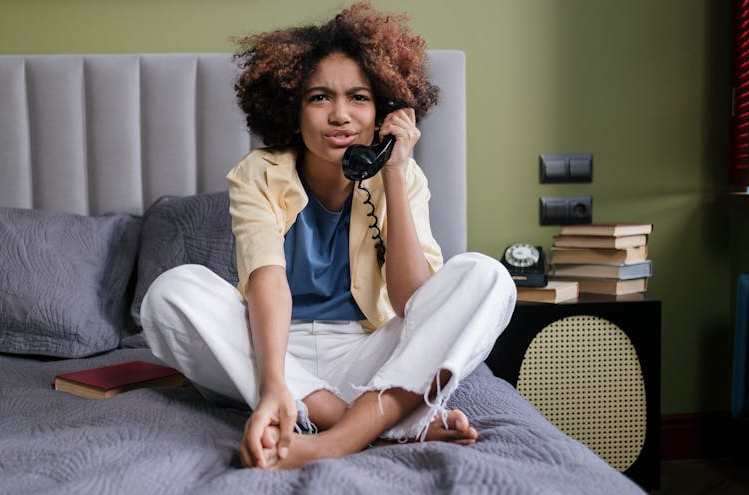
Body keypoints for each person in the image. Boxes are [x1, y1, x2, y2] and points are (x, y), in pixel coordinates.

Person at [141, 1, 516, 470]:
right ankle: (379, 429)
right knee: (171, 293)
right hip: (271, 349)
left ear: (384, 109)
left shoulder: (404, 178)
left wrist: (395, 173)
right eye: (320, 98)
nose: (340, 115)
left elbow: (412, 304)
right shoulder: (256, 174)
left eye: (358, 98)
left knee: (488, 277)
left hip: (368, 357)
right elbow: (267, 280)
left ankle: (329, 442)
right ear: (292, 110)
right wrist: (275, 380)